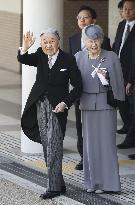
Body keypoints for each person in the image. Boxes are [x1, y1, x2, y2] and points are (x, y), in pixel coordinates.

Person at [17, 28, 82, 199]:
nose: (48, 45)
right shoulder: (39, 55)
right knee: (48, 146)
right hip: (39, 105)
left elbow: (79, 86)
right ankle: (59, 184)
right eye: (45, 42)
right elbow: (23, 58)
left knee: (54, 147)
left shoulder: (68, 59)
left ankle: (53, 188)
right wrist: (25, 47)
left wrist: (65, 103)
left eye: (51, 41)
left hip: (57, 108)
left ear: (58, 41)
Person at [75, 25, 125, 193]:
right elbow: (73, 83)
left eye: (96, 40)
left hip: (106, 104)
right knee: (90, 145)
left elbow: (119, 83)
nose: (94, 44)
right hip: (87, 104)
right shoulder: (79, 57)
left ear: (102, 40)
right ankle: (92, 183)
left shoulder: (111, 57)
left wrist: (107, 80)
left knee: (107, 144)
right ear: (84, 41)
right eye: (90, 41)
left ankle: (109, 184)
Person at [69, 5, 111, 170]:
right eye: (79, 18)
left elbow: (108, 65)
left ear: (93, 20)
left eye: (85, 17)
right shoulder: (73, 39)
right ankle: (83, 158)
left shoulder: (104, 40)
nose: (82, 20)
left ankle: (98, 157)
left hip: (98, 89)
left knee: (97, 125)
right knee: (80, 124)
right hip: (79, 89)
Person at [113, 0, 135, 148]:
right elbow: (117, 46)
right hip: (118, 71)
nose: (126, 12)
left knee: (132, 107)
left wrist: (131, 79)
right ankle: (128, 129)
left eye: (130, 9)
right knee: (121, 103)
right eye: (125, 9)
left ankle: (131, 139)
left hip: (131, 74)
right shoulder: (122, 25)